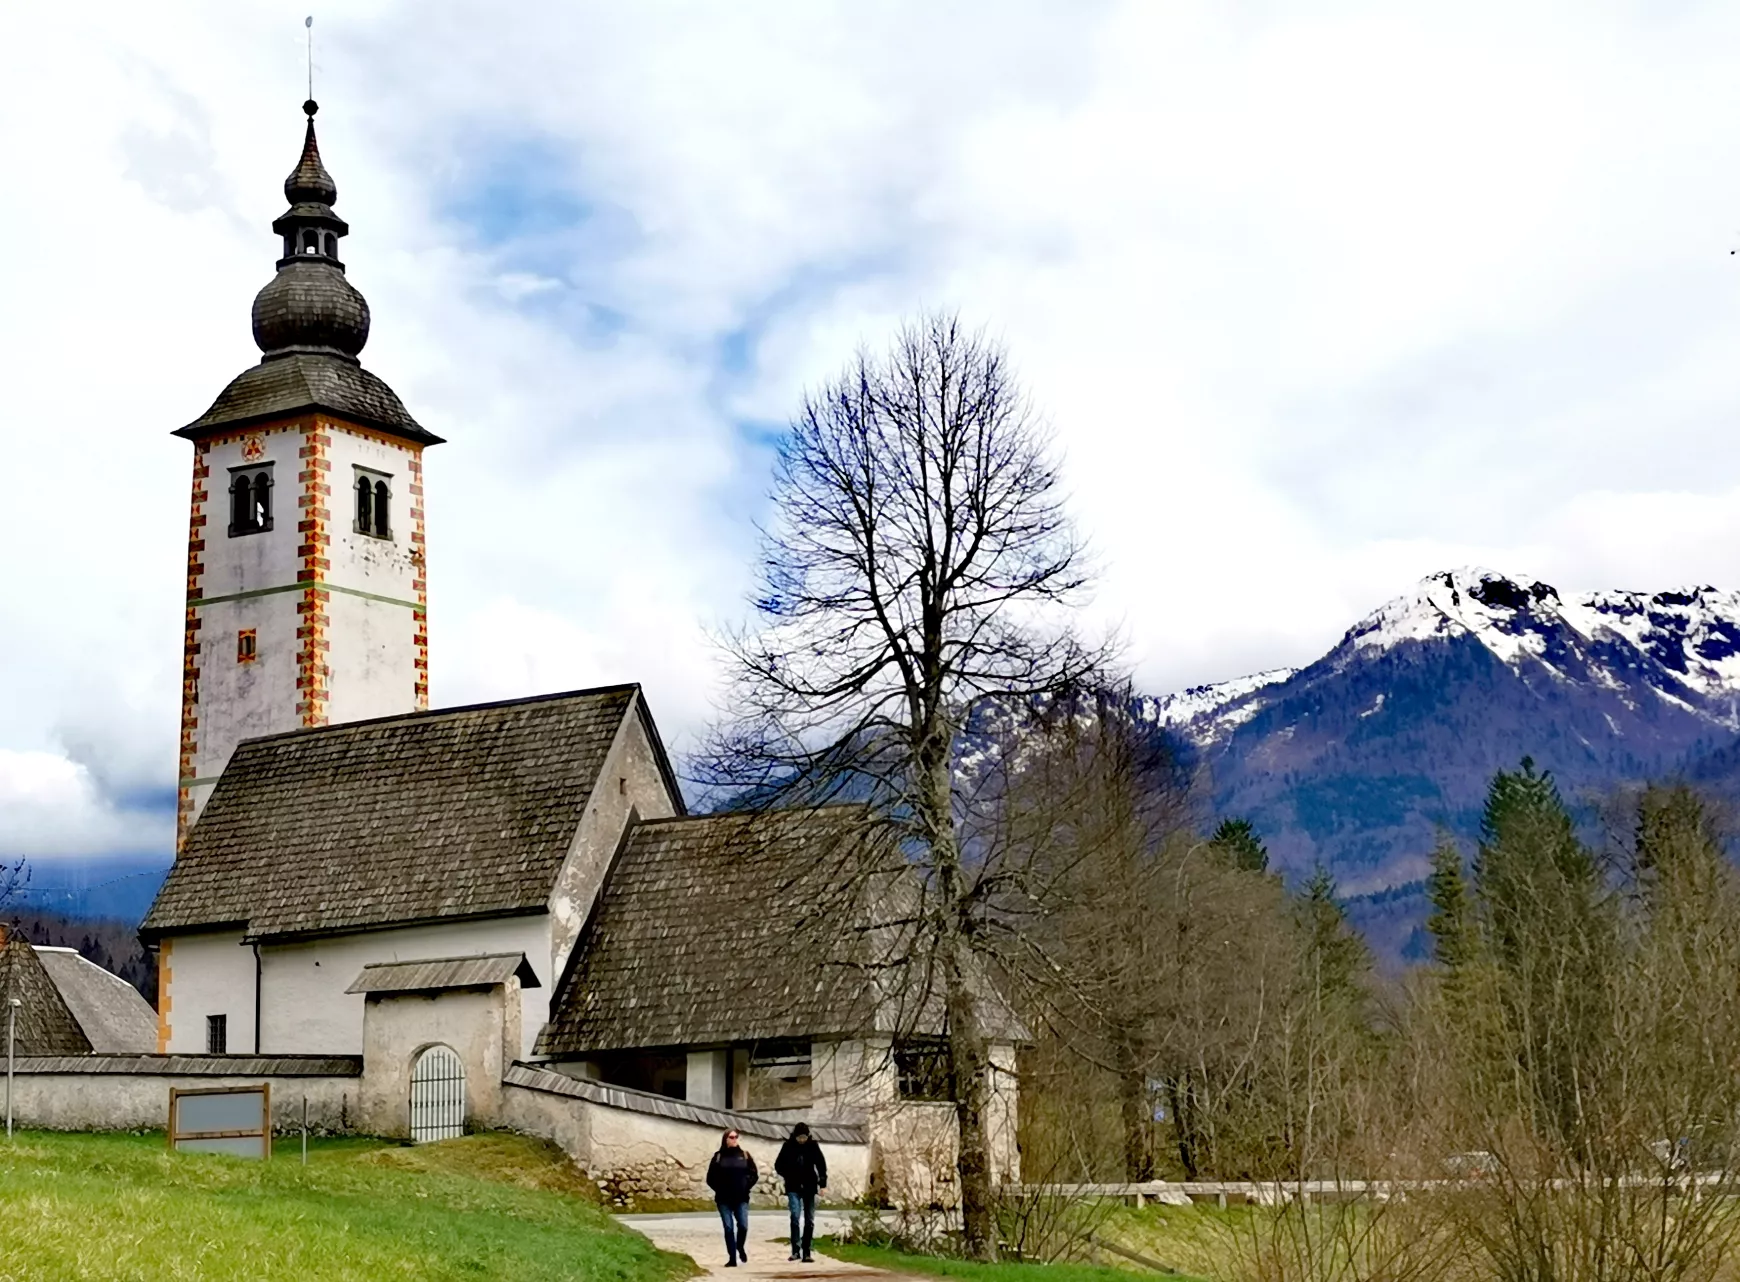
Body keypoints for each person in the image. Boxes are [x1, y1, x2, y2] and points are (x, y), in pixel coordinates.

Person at [774, 1122, 828, 1263]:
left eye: (804, 1137)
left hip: (809, 1187)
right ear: (795, 1136)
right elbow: (778, 1165)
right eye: (800, 1138)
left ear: (808, 1136)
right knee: (795, 1217)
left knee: (809, 1220)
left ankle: (807, 1251)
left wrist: (822, 1184)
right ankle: (795, 1250)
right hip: (793, 1187)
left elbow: (821, 1165)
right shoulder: (788, 1146)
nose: (802, 1140)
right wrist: (788, 1174)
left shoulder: (813, 1146)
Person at [706, 1128, 758, 1267]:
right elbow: (710, 1178)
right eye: (731, 1137)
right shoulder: (718, 1157)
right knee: (728, 1228)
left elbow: (754, 1174)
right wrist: (719, 1188)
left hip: (741, 1197)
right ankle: (732, 1258)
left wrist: (746, 1185)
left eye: (736, 1137)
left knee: (743, 1226)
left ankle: (739, 1246)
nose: (734, 1139)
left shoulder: (745, 1155)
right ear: (726, 1139)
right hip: (724, 1199)